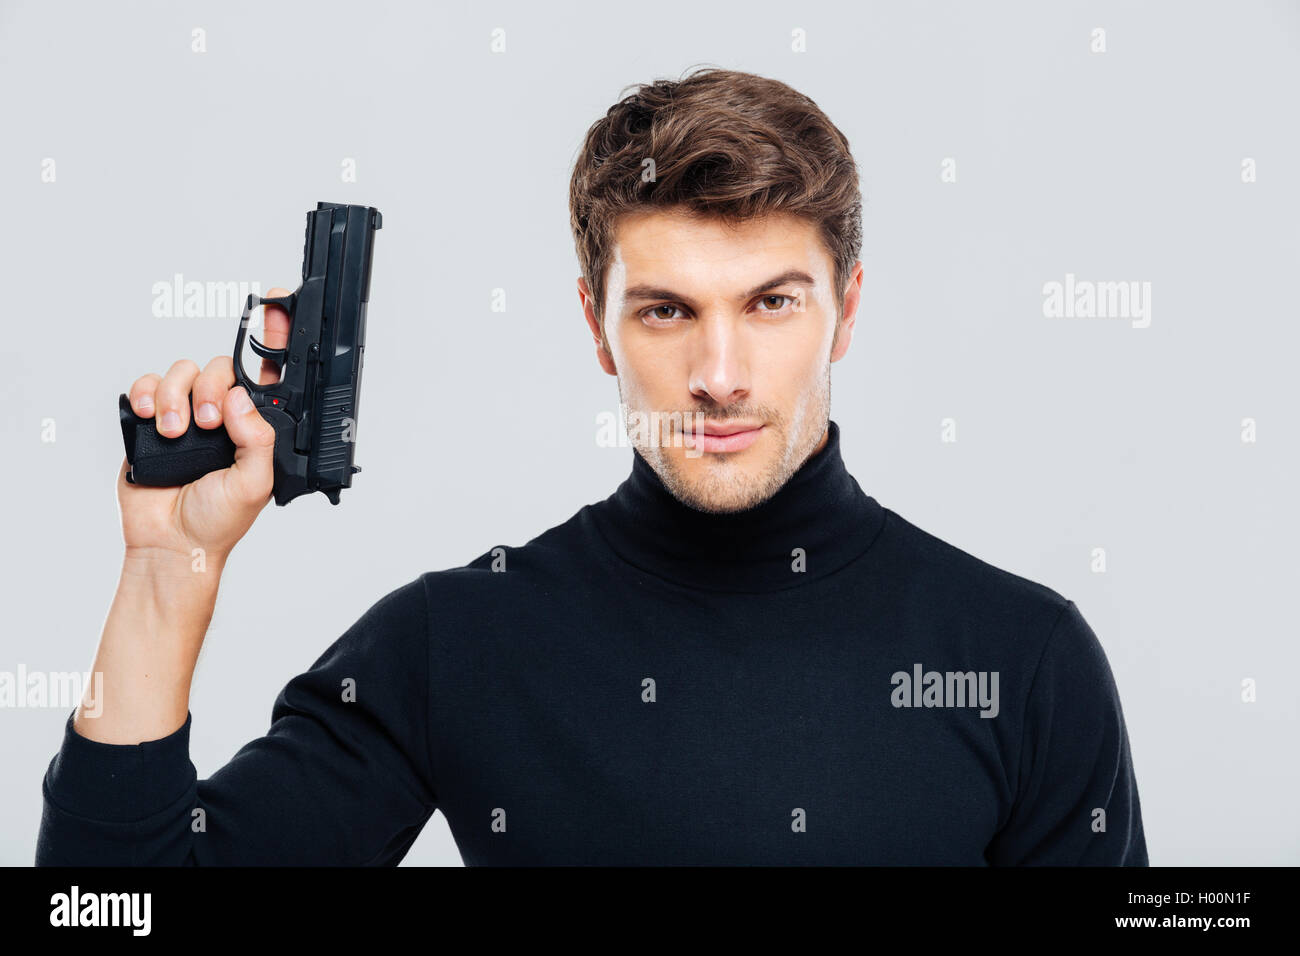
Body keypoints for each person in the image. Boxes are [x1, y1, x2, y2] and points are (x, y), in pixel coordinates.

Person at [36, 67, 1147, 866]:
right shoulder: (456, 641)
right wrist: (165, 569)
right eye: (666, 310)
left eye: (770, 303)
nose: (719, 373)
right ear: (597, 324)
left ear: (844, 311)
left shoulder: (1022, 658)